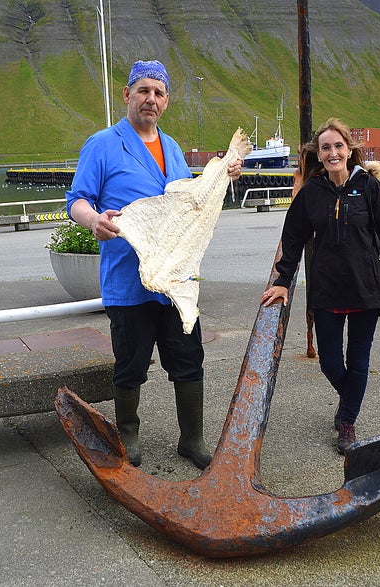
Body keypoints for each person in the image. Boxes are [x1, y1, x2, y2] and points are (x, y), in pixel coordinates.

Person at [66, 60, 243, 470]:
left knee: (188, 358)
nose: (151, 99)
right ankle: (128, 436)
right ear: (127, 94)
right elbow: (77, 199)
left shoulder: (174, 147)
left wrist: (221, 174)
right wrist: (93, 220)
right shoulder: (103, 144)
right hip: (128, 282)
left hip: (177, 282)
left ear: (166, 101)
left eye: (159, 93)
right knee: (130, 363)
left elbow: (188, 201)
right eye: (143, 90)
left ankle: (192, 439)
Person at [260, 117, 380, 454]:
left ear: (349, 150)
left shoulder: (368, 187)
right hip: (326, 291)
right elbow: (293, 238)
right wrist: (282, 280)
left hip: (366, 290)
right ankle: (351, 399)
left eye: (338, 146)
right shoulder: (312, 192)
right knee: (329, 362)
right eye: (326, 147)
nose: (332, 152)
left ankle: (347, 422)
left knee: (358, 361)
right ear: (319, 154)